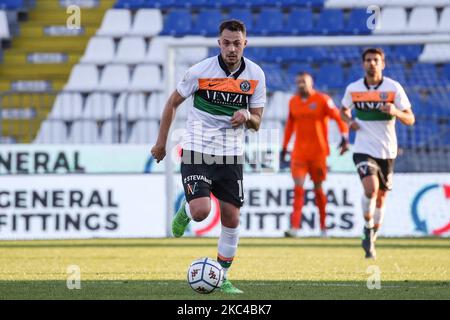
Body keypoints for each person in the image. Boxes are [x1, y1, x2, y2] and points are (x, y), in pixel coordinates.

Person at [151, 20, 266, 294]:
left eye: (237, 43)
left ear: (245, 44)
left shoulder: (256, 75)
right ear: (219, 43)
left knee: (231, 218)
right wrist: (160, 143)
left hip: (230, 155)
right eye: (226, 43)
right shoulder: (200, 71)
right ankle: (186, 210)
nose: (231, 48)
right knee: (202, 211)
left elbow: (258, 121)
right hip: (197, 149)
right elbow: (172, 103)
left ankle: (222, 275)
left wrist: (247, 115)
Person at [340, 48, 415, 259]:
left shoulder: (393, 88)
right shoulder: (354, 89)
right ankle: (367, 225)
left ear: (383, 64)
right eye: (368, 60)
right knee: (371, 190)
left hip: (387, 151)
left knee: (381, 199)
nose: (372, 63)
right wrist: (349, 121)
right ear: (363, 64)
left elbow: (410, 119)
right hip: (363, 149)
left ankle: (372, 236)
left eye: (376, 60)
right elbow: (343, 110)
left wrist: (396, 112)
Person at [282, 72, 349, 238]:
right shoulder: (293, 102)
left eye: (304, 82)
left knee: (318, 189)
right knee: (298, 188)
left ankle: (323, 227)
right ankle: (295, 228)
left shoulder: (322, 100)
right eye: (298, 82)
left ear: (311, 83)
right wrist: (284, 147)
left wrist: (344, 136)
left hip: (318, 153)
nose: (300, 85)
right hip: (299, 153)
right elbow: (290, 126)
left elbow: (339, 118)